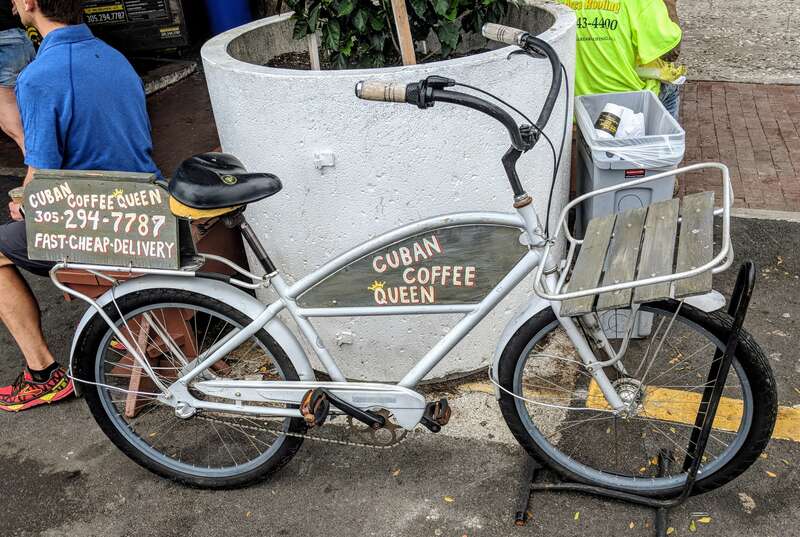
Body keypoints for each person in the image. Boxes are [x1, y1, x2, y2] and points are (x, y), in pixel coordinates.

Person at [0, 0, 160, 412]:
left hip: (103, 227)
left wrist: (23, 202)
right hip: (151, 212)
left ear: (31, 3)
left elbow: (43, 178)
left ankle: (43, 374)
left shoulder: (38, 77)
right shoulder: (115, 57)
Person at [561, 0, 683, 119]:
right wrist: (670, 4)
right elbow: (671, 53)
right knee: (671, 87)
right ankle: (663, 132)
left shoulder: (558, 3)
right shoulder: (643, 3)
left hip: (575, 107)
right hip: (628, 106)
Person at [0, 0, 35, 153]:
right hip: (20, 38)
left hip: (5, 42)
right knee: (35, 113)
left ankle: (40, 164)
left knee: (18, 129)